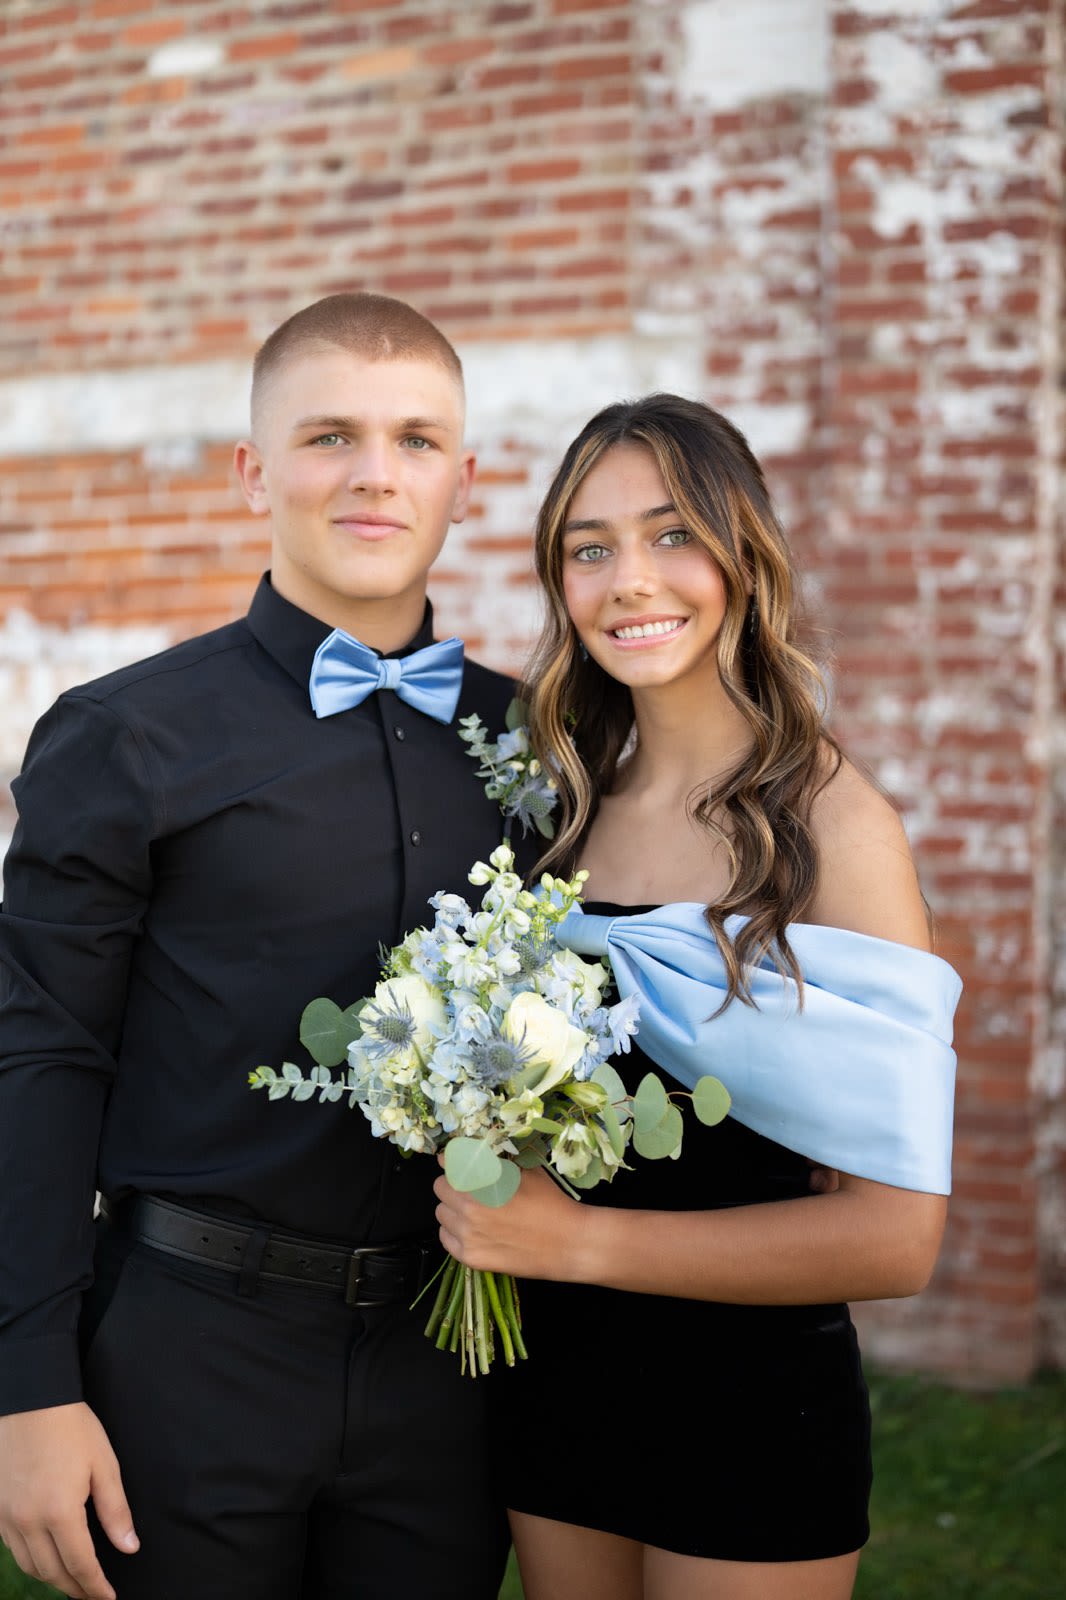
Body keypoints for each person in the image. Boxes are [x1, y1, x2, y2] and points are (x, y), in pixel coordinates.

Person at [0, 292, 529, 1600]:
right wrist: (26, 1390)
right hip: (191, 1351)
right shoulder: (124, 736)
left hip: (449, 1353)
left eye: (415, 440)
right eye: (328, 436)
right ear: (253, 473)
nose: (372, 474)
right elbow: (40, 1058)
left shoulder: (544, 746)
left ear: (464, 483)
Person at [433, 393, 962, 1600]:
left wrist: (574, 1241)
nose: (630, 580)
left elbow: (896, 1237)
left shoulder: (833, 826)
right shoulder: (556, 818)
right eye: (590, 546)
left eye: (673, 534)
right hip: (552, 1389)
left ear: (743, 553)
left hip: (749, 1409)